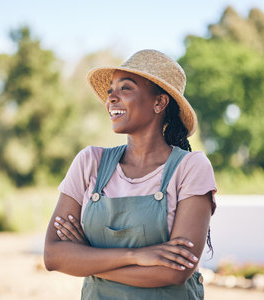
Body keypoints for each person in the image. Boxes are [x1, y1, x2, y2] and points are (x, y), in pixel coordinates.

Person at [44, 49, 217, 300]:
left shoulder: (191, 167)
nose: (111, 99)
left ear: (159, 102)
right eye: (110, 91)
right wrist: (136, 256)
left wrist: (88, 258)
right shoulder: (89, 162)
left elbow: (177, 271)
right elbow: (52, 256)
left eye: (125, 88)